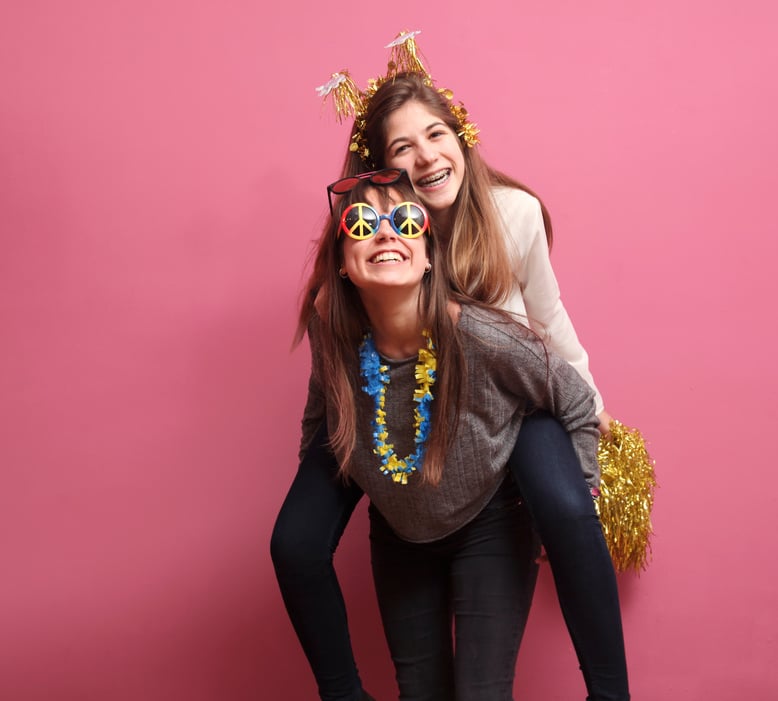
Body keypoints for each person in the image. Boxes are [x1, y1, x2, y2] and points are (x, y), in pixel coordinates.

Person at [271, 32, 630, 701]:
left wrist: (593, 407)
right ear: (380, 172)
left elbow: (551, 327)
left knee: (560, 499)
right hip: (404, 421)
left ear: (461, 137)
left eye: (436, 134)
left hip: (509, 401)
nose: (426, 156)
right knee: (298, 536)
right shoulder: (362, 257)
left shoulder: (507, 219)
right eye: (402, 148)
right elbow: (326, 396)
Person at [305, 171, 601, 701]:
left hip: (490, 521)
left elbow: (575, 399)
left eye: (407, 220)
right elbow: (317, 429)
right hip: (401, 536)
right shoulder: (336, 343)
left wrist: (570, 506)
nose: (386, 232)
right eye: (361, 222)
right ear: (343, 266)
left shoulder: (480, 335)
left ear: (428, 257)